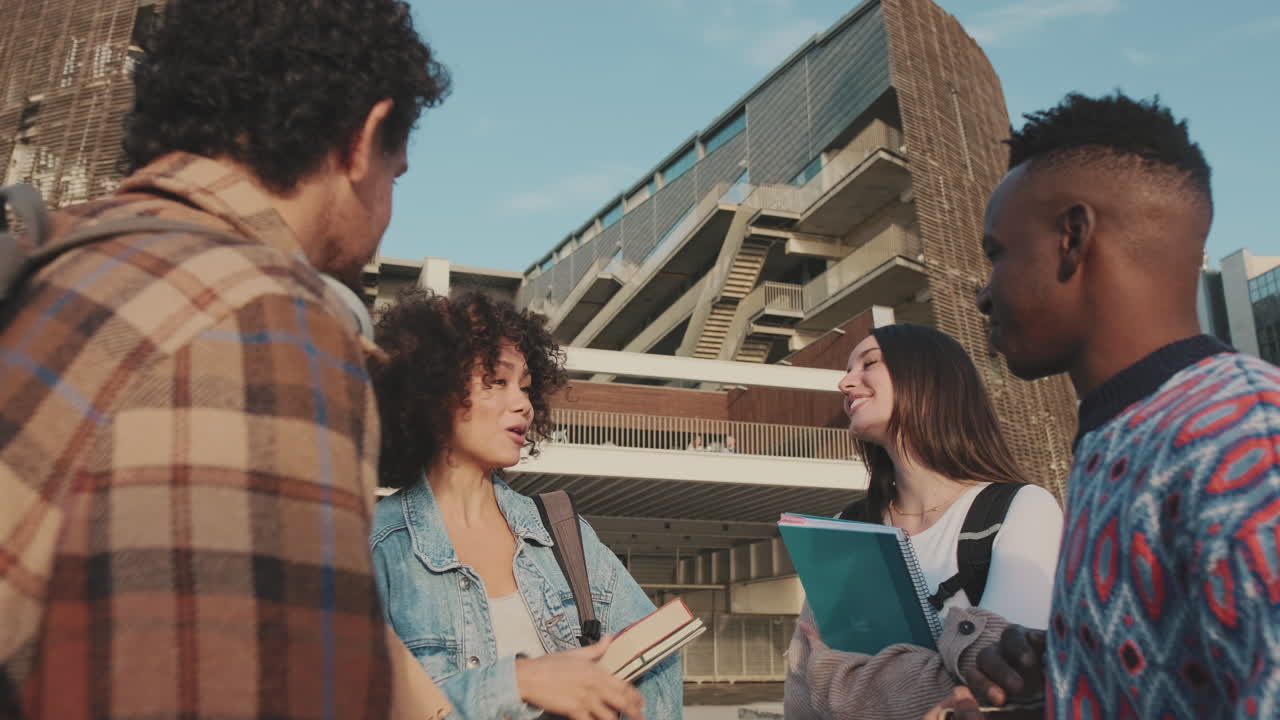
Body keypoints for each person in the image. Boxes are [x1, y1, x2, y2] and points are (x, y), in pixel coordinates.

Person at [0, 1, 451, 718]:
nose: (388, 207)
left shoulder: (61, 263)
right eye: (397, 173)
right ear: (363, 141)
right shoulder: (258, 322)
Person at [959, 92, 1280, 719]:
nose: (983, 294)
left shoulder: (1245, 440)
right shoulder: (1123, 434)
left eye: (997, 253)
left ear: (1073, 238)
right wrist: (1076, 673)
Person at [369, 290, 684, 720]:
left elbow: (657, 656)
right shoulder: (376, 549)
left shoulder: (563, 532)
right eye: (497, 381)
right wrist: (518, 682)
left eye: (526, 387)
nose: (523, 405)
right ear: (434, 389)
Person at [785, 323, 1063, 720]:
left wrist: (837, 678)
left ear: (928, 377)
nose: (845, 383)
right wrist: (947, 665)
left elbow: (1001, 688)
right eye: (848, 371)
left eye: (869, 363)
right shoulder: (845, 526)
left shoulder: (1020, 508)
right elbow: (802, 695)